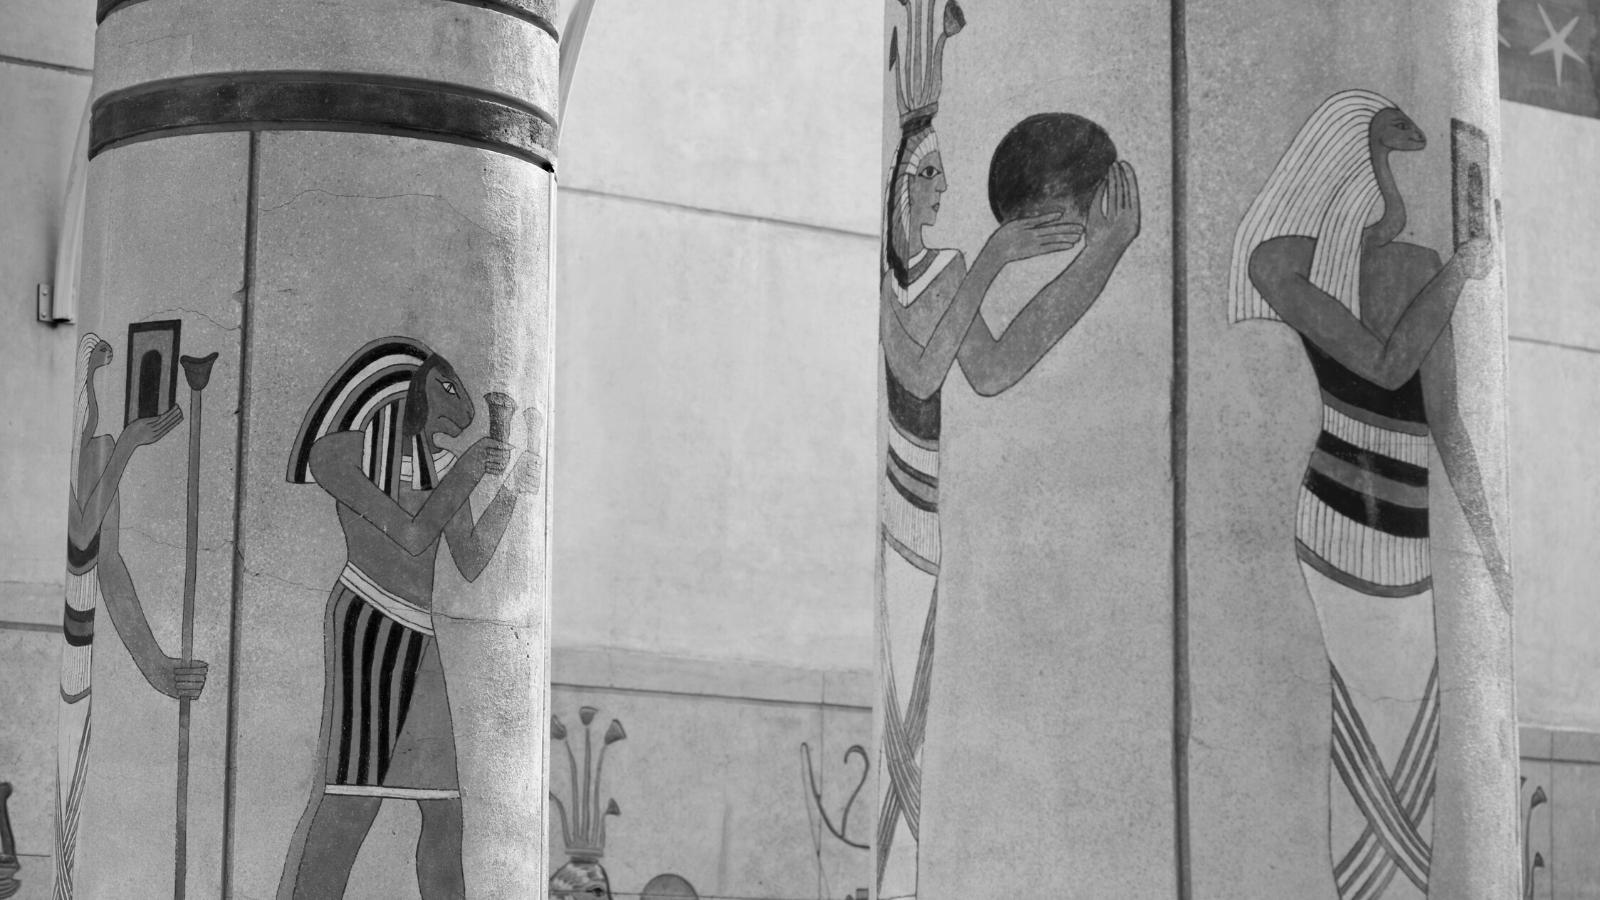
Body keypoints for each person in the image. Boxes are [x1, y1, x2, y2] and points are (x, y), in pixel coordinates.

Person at [874, 6, 1140, 896]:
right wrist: (990, 259)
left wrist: (1103, 253)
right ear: (900, 186)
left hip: (930, 515)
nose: (944, 190)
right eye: (930, 176)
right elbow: (918, 366)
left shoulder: (946, 269)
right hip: (903, 514)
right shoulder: (903, 278)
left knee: (921, 707)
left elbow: (996, 366)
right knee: (903, 712)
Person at [1231, 89, 1505, 900]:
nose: (1396, 165)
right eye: (1384, 145)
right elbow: (1385, 367)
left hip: (1407, 526)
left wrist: (1492, 549)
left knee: (1413, 724)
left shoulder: (1413, 267)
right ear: (1346, 154)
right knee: (1358, 722)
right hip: (1340, 519)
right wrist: (1459, 273)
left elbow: (1447, 421)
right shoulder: (1289, 267)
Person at [278, 337, 540, 899]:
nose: (459, 406)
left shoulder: (440, 464)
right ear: (403, 384)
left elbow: (470, 559)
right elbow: (414, 536)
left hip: (420, 636)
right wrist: (469, 471)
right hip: (369, 623)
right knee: (352, 801)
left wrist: (513, 489)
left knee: (445, 813)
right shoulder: (338, 456)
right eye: (445, 385)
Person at [52, 333, 208, 900]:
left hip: (78, 659)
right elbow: (79, 540)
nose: (93, 407)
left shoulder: (97, 450)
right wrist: (126, 450)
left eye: (94, 390)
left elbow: (108, 565)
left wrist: (158, 668)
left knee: (70, 810)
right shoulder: (85, 456)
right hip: (50, 656)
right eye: (85, 393)